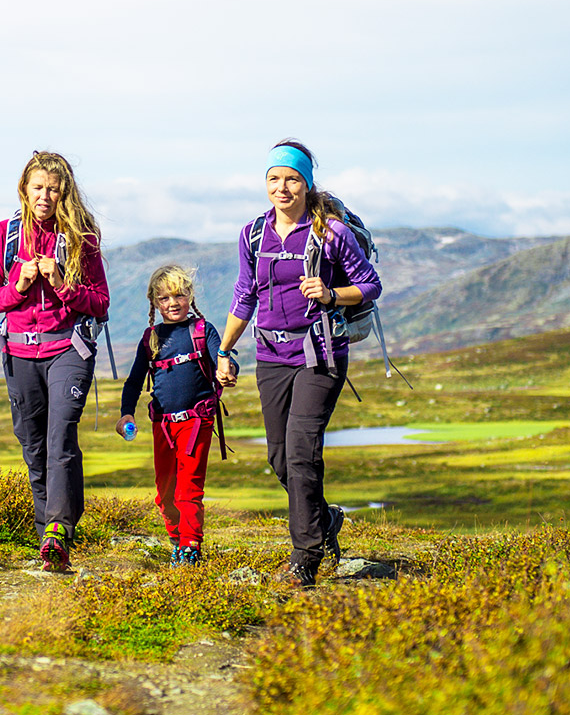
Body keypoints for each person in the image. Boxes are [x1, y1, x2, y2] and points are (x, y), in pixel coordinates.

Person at [215, 139, 381, 589]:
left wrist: (330, 295)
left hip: (320, 354)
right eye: (274, 179)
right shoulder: (253, 234)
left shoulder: (331, 233)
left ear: (307, 184)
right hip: (270, 356)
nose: (282, 187)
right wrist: (225, 350)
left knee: (303, 451)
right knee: (280, 457)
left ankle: (304, 557)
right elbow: (244, 294)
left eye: (292, 179)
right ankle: (324, 519)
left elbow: (370, 285)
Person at [0, 151, 110, 573]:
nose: (45, 195)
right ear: (25, 189)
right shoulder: (5, 234)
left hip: (68, 350)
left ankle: (58, 529)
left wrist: (62, 284)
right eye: (38, 187)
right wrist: (17, 287)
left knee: (59, 439)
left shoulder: (83, 238)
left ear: (65, 192)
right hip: (18, 352)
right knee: (33, 446)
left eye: (54, 188)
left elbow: (101, 303)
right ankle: (49, 543)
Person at [117, 265, 224, 566]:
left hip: (196, 422)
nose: (173, 302)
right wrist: (126, 414)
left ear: (190, 296)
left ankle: (191, 546)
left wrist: (228, 371)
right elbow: (134, 382)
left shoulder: (203, 331)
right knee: (165, 493)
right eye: (164, 298)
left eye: (179, 295)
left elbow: (222, 363)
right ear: (154, 302)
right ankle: (177, 539)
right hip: (162, 426)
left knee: (188, 488)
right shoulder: (150, 338)